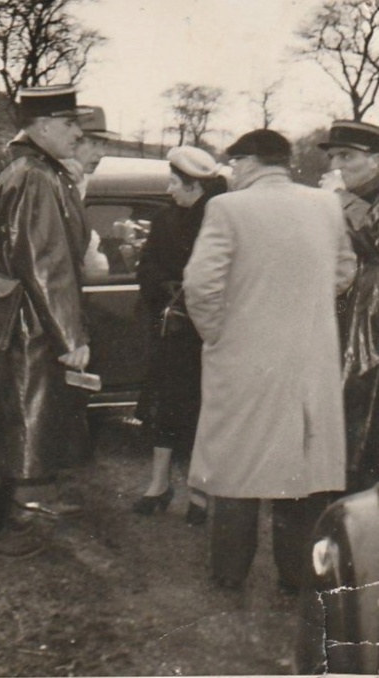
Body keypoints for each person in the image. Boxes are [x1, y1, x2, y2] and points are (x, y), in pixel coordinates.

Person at [183, 129, 357, 592]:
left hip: (244, 360)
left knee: (237, 468)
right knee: (300, 468)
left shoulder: (227, 208)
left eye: (235, 163)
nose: (233, 173)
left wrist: (219, 334)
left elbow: (201, 286)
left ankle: (228, 574)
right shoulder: (326, 206)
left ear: (249, 162)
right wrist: (305, 310)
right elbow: (345, 270)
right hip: (309, 359)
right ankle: (296, 577)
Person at [0, 85, 92, 556]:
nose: (78, 132)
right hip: (24, 323)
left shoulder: (3, 163)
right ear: (44, 126)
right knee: (9, 425)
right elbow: (47, 264)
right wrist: (72, 337)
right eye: (70, 124)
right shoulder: (35, 177)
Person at [131, 146, 227, 526]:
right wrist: (163, 286)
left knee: (206, 411)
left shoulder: (222, 218)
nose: (169, 190)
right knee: (165, 407)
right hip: (172, 331)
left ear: (195, 186)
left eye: (175, 183)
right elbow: (147, 266)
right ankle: (158, 485)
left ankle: (200, 494)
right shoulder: (164, 219)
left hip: (210, 332)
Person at [317, 119, 379, 493]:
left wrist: (340, 199)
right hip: (348, 321)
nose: (335, 165)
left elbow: (373, 239)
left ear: (376, 160)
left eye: (347, 156)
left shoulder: (348, 199)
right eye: (332, 156)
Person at [64, 106, 117, 277]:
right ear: (72, 141)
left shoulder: (78, 179)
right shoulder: (51, 180)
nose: (101, 153)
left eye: (103, 145)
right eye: (94, 143)